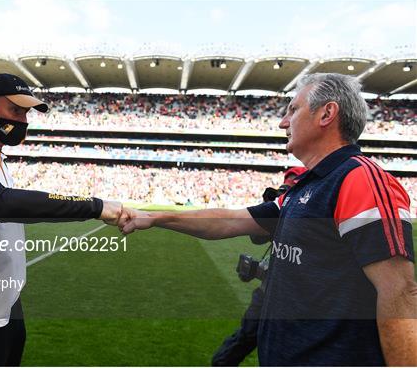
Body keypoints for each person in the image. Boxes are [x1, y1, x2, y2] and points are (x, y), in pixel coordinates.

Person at [119, 73, 416, 366]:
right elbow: (230, 221)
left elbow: (399, 292)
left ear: (327, 113)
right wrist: (157, 217)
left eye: (293, 110)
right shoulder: (304, 187)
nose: (282, 122)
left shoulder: (360, 180)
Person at [0, 73, 123, 366]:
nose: (23, 121)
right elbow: (1, 204)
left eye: (26, 113)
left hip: (7, 302)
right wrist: (95, 207)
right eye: (16, 110)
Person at [211, 166, 307, 366]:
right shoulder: (281, 211)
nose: (286, 193)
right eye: (284, 188)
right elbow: (256, 238)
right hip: (268, 292)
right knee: (245, 337)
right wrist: (268, 207)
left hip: (295, 298)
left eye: (291, 188)